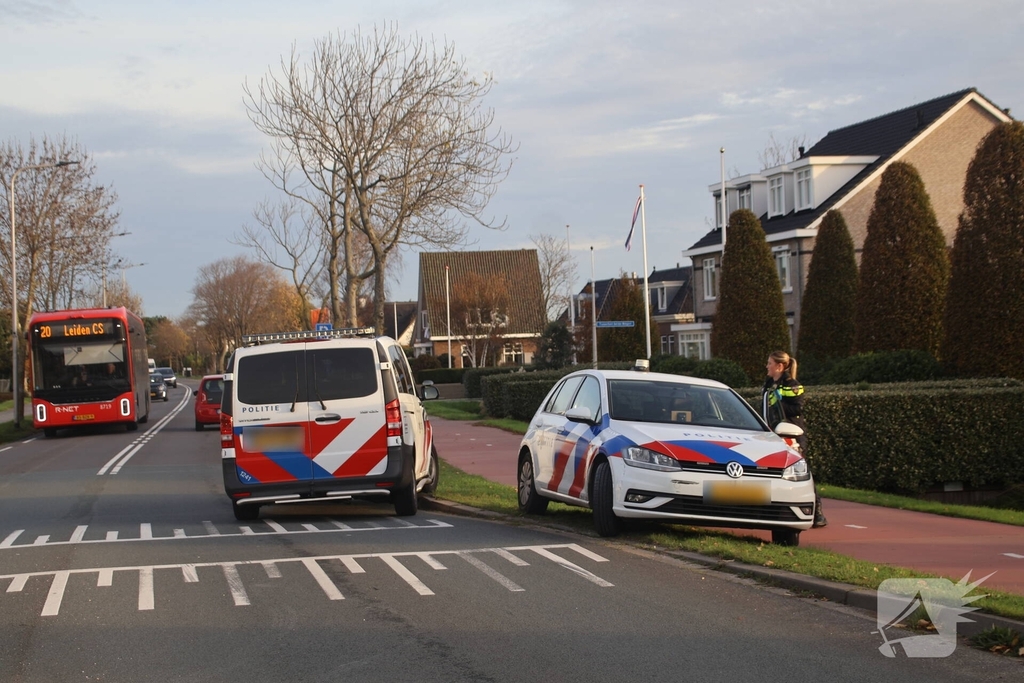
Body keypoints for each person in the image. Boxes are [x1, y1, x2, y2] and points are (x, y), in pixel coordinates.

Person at [763, 351, 827, 528]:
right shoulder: (769, 383)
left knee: (799, 470)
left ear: (779, 366)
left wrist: (779, 404)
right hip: (772, 432)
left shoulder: (792, 385)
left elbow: (798, 408)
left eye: (770, 363)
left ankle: (817, 512)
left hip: (792, 434)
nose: (767, 366)